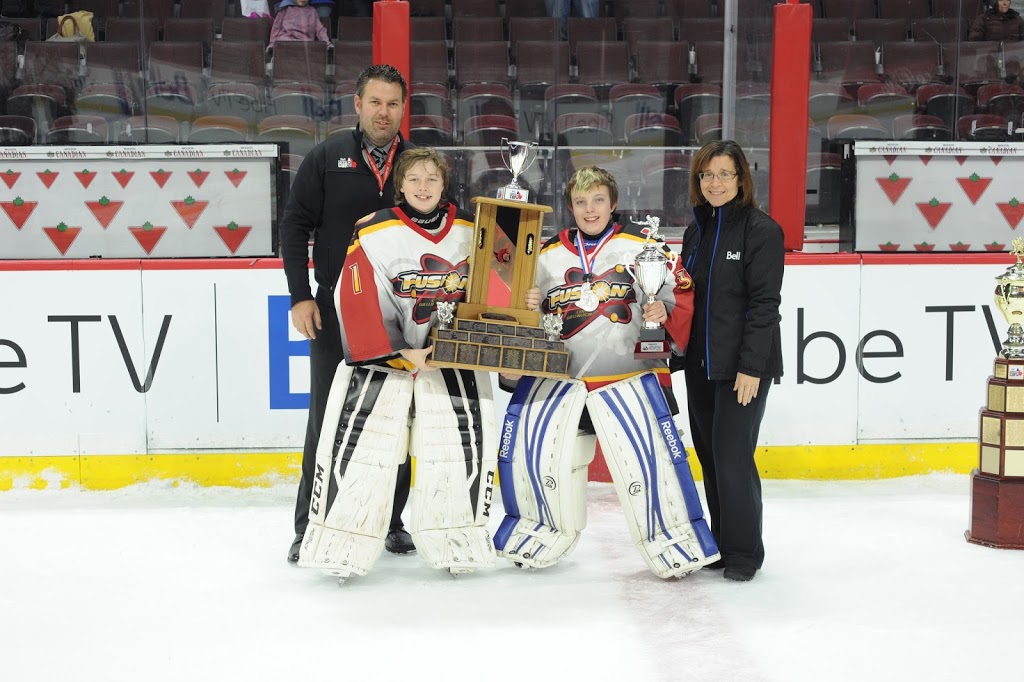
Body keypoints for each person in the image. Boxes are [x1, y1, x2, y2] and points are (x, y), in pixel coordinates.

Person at [493, 166, 720, 580]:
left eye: (598, 200)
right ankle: (536, 533)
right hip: (564, 382)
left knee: (651, 466)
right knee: (543, 461)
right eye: (581, 202)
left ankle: (674, 541)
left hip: (631, 379)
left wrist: (663, 311)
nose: (590, 209)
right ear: (570, 207)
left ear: (613, 203)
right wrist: (528, 303)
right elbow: (524, 311)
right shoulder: (545, 254)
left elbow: (682, 293)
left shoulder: (643, 244)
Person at [299, 147, 497, 579]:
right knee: (362, 456)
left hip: (450, 363)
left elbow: (492, 289)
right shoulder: (373, 230)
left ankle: (457, 543)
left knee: (454, 455)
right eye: (414, 179)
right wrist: (400, 351)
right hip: (385, 363)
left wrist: (457, 345)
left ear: (444, 184)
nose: (423, 187)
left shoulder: (474, 229)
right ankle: (340, 545)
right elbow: (353, 295)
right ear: (400, 186)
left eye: (431, 178)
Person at [280, 64, 414, 564]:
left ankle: (392, 521)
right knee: (328, 418)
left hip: (402, 318)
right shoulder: (327, 156)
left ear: (404, 107)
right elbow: (294, 225)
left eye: (393, 103)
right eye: (375, 102)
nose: (384, 112)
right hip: (335, 314)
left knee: (398, 417)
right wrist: (300, 295)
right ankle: (308, 525)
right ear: (357, 105)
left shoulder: (417, 165)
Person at [670, 140, 784, 583]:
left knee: (733, 456)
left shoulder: (761, 231)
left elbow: (764, 305)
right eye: (707, 175)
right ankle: (719, 542)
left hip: (741, 369)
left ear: (741, 180)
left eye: (724, 174)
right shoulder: (696, 231)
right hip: (701, 364)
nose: (715, 183)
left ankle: (743, 552)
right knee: (710, 456)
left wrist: (751, 368)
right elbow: (685, 298)